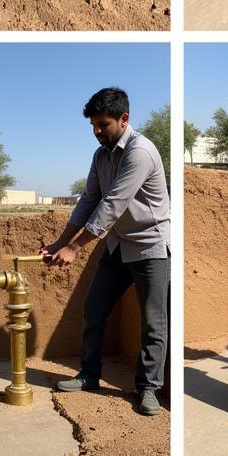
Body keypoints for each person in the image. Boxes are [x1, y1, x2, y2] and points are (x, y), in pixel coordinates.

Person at [41, 87, 170, 415]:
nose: (97, 132)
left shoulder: (140, 152)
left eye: (103, 125)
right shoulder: (101, 156)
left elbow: (113, 205)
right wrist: (59, 243)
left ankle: (148, 389)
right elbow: (89, 200)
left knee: (153, 323)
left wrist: (75, 248)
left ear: (124, 119)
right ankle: (89, 375)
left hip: (149, 246)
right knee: (93, 308)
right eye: (93, 126)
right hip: (117, 246)